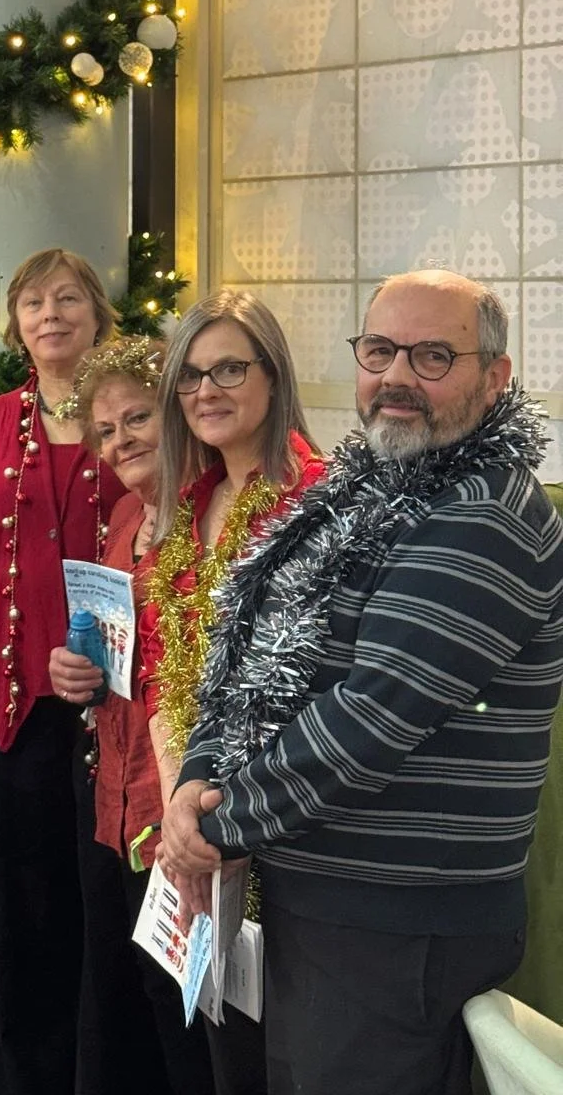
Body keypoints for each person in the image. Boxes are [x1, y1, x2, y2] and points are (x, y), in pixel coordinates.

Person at [161, 271, 563, 1095]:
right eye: (379, 351)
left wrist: (215, 825)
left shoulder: (488, 511)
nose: (396, 376)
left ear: (495, 377)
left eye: (433, 356)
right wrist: (197, 777)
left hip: (399, 928)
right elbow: (249, 643)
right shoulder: (368, 486)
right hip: (320, 906)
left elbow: (370, 717)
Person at [0, 247, 123, 1095]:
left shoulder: (132, 413)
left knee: (101, 910)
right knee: (21, 915)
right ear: (16, 323)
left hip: (113, 709)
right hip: (11, 707)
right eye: (35, 303)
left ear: (98, 314)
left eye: (68, 299)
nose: (52, 315)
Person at [140, 290, 323, 1095]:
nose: (205, 391)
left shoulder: (315, 500)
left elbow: (309, 683)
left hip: (287, 832)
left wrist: (226, 815)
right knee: (223, 1053)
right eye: (189, 376)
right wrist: (180, 809)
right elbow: (159, 668)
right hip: (197, 825)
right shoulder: (188, 504)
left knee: (283, 1057)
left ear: (273, 375)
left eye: (228, 370)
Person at [47, 337, 217, 1095]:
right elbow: (119, 655)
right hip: (116, 795)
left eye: (137, 418)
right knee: (140, 997)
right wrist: (73, 670)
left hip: (180, 798)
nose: (121, 441)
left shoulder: (214, 515)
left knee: (190, 1012)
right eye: (106, 431)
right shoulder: (124, 516)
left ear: (177, 412)